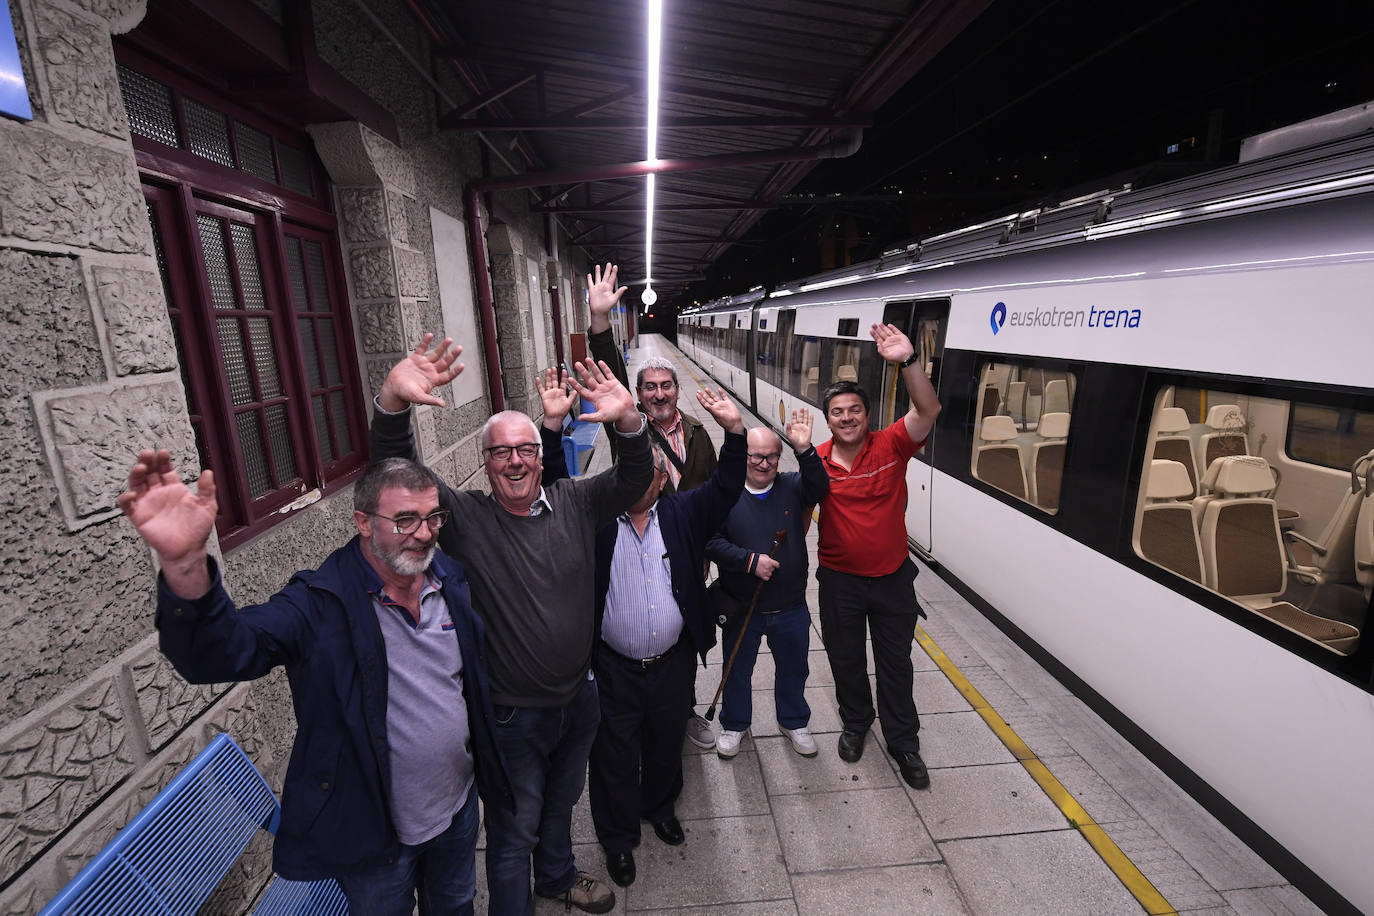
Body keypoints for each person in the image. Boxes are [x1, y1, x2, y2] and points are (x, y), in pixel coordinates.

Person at [118, 453, 511, 916]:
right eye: (405, 520)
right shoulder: (319, 604)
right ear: (363, 522)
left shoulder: (450, 580)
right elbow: (224, 652)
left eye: (432, 518)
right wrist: (186, 566)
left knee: (457, 904)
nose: (424, 534)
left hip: (456, 808)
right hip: (372, 833)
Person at [369, 337, 652, 916]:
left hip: (579, 700)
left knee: (560, 805)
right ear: (486, 462)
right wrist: (393, 406)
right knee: (511, 831)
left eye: (526, 449)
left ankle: (556, 875)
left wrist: (627, 421)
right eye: (501, 453)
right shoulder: (467, 521)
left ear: (542, 457)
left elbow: (632, 480)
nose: (516, 461)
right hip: (514, 716)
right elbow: (398, 477)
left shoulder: (575, 502)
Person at [556, 388, 745, 889]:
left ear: (664, 480)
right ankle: (618, 839)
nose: (642, 479)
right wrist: (552, 429)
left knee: (665, 745)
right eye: (633, 473)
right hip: (614, 665)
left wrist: (735, 432)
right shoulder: (595, 519)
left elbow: (728, 487)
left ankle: (660, 808)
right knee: (613, 754)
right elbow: (551, 493)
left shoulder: (681, 514)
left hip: (671, 662)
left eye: (652, 473)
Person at [585, 262, 721, 751]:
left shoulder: (702, 437)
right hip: (638, 548)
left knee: (682, 637)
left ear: (677, 391)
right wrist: (600, 322)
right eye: (649, 388)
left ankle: (680, 711)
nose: (658, 394)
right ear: (638, 397)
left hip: (688, 555)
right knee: (644, 626)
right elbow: (611, 376)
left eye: (666, 387)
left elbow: (714, 498)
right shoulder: (631, 435)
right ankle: (636, 714)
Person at [816, 323, 942, 791]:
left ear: (868, 415)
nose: (846, 418)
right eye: (837, 412)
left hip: (892, 580)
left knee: (896, 664)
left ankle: (903, 742)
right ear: (827, 420)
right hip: (839, 582)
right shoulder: (818, 461)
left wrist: (908, 362)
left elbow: (928, 409)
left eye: (854, 410)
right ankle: (855, 723)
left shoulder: (892, 445)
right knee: (845, 660)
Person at [706, 410, 829, 759]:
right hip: (743, 607)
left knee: (794, 667)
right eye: (756, 456)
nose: (764, 463)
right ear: (744, 457)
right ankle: (734, 724)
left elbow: (820, 487)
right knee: (737, 670)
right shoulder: (724, 493)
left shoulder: (792, 485)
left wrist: (805, 450)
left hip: (790, 606)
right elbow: (710, 541)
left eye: (772, 456)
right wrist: (749, 561)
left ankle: (793, 720)